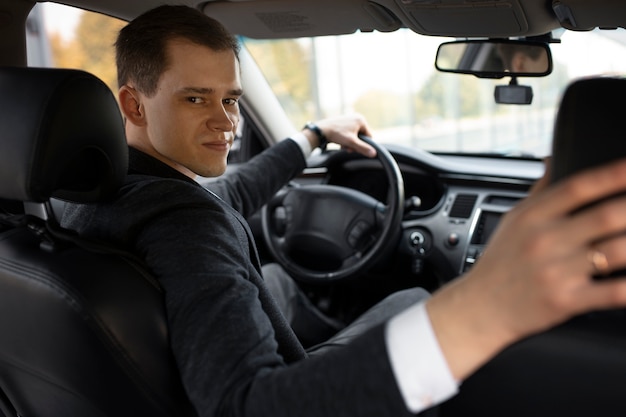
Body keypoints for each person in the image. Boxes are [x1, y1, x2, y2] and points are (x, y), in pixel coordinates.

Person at [62, 5, 626, 417]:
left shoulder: (84, 198)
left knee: (287, 279)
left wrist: (311, 138)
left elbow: (226, 198)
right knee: (413, 300)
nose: (228, 123)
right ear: (134, 103)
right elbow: (244, 404)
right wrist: (484, 307)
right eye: (195, 99)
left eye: (230, 99)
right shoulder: (186, 225)